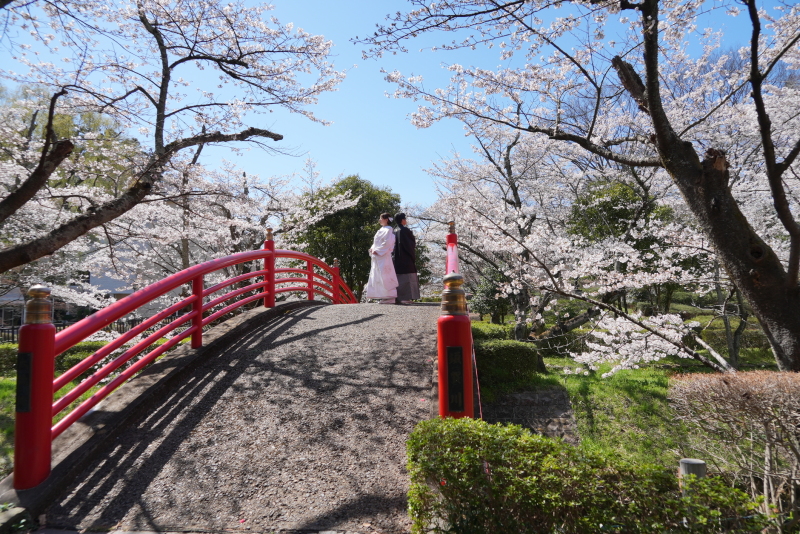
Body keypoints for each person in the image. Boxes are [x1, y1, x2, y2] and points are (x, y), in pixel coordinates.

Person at [364, 213, 398, 304]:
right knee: (378, 274)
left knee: (385, 274)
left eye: (381, 218)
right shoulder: (382, 229)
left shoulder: (389, 229)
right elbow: (376, 242)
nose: (379, 220)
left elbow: (388, 242)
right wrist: (372, 248)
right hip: (378, 256)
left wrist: (378, 250)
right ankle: (384, 296)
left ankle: (390, 296)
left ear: (386, 219)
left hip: (383, 256)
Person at [393, 212, 420, 304]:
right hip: (406, 258)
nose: (406, 221)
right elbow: (409, 245)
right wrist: (412, 256)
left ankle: (398, 297)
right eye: (405, 219)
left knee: (398, 278)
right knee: (408, 278)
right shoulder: (405, 230)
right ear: (402, 220)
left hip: (396, 259)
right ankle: (405, 298)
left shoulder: (394, 230)